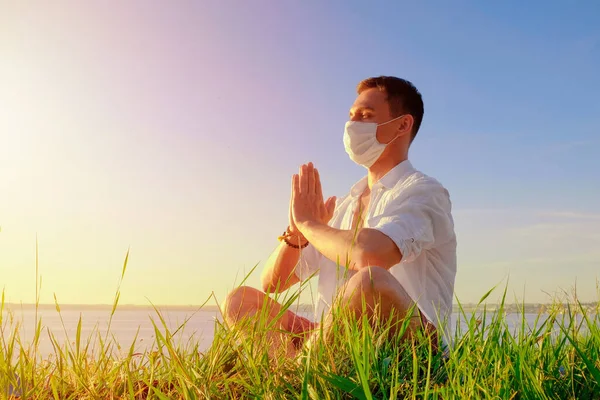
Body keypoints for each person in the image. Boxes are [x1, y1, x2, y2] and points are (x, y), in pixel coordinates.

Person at [222, 76, 457, 357]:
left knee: (370, 281)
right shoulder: (345, 206)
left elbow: (371, 256)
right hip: (337, 345)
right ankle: (293, 373)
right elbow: (273, 283)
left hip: (412, 352)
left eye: (365, 116)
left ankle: (301, 376)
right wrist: (298, 234)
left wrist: (310, 223)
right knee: (240, 300)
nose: (352, 125)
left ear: (403, 125)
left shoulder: (424, 191)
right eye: (351, 116)